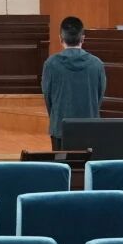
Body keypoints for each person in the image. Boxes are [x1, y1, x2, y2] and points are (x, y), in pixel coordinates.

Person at [41, 16, 107, 151]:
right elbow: (99, 96)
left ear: (60, 38)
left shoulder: (51, 64)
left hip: (60, 128)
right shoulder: (97, 64)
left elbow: (48, 97)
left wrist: (56, 117)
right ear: (83, 38)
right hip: (90, 128)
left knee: (62, 164)